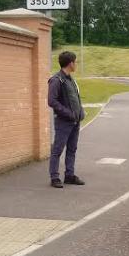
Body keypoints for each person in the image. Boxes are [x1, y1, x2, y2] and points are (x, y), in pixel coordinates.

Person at [48, 51, 86, 188]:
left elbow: (76, 98)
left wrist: (80, 112)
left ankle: (69, 175)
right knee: (57, 150)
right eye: (75, 62)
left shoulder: (71, 79)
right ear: (70, 63)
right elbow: (52, 101)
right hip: (64, 122)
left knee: (72, 149)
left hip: (75, 122)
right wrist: (68, 113)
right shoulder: (56, 80)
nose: (76, 64)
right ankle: (54, 177)